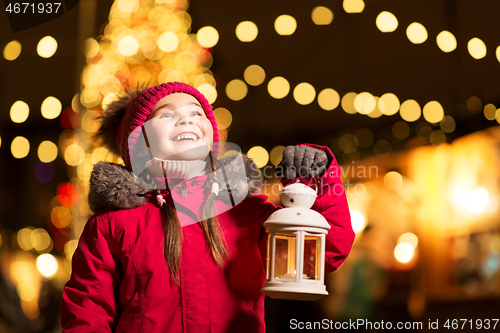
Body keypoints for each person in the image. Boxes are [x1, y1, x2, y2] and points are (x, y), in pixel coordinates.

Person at [60, 82, 354, 332]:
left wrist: (319, 180)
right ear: (140, 142)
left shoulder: (246, 214)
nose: (186, 120)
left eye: (196, 113)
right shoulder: (114, 225)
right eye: (167, 115)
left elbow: (320, 255)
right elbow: (89, 310)